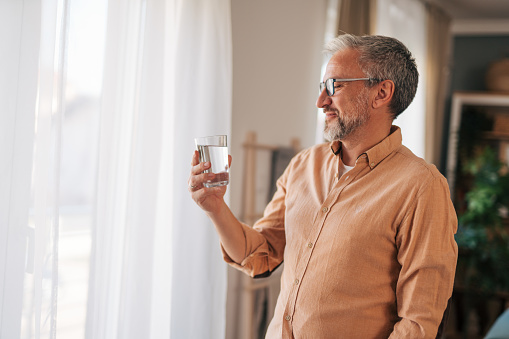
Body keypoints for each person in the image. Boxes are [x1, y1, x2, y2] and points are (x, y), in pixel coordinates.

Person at [188, 34, 458, 338]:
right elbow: (262, 253)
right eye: (322, 87)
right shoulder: (304, 165)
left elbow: (419, 322)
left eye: (334, 86)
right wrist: (215, 207)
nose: (321, 101)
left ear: (381, 92)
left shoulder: (422, 186)